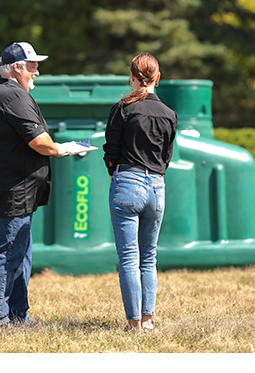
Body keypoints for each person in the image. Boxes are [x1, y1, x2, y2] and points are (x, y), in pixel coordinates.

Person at [0, 42, 68, 326]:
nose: (37, 72)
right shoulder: (10, 95)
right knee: (9, 253)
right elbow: (39, 141)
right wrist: (61, 149)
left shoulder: (2, 94)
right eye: (33, 66)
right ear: (17, 68)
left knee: (20, 253)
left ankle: (17, 314)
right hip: (12, 191)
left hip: (14, 190)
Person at [103, 53, 177, 331]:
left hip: (127, 183)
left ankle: (133, 324)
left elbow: (110, 151)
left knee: (130, 258)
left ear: (131, 78)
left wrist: (117, 173)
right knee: (149, 257)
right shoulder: (170, 114)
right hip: (157, 187)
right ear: (158, 78)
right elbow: (167, 157)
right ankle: (147, 321)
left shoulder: (122, 108)